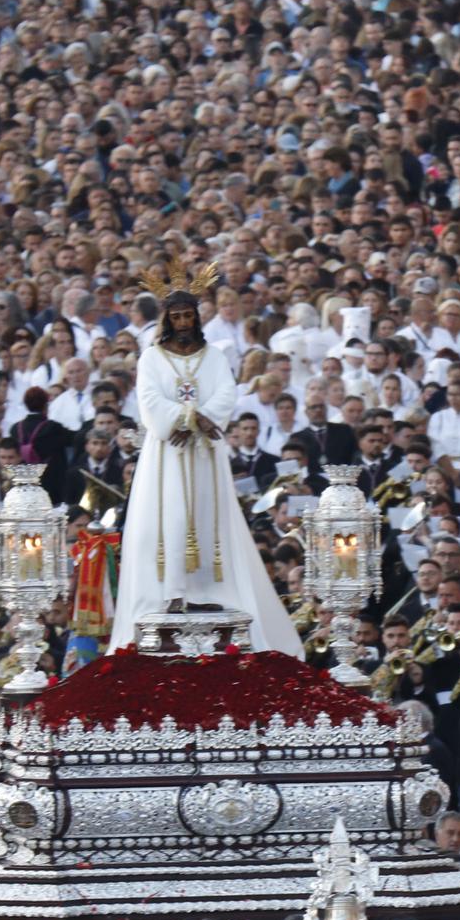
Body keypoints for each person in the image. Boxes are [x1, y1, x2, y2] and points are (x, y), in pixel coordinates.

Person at [109, 263, 303, 655]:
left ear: (196, 318)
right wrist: (179, 420)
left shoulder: (213, 355)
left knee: (205, 519)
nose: (182, 322)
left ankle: (206, 589)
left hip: (203, 452)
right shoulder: (151, 358)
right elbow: (149, 400)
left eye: (188, 315)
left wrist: (197, 419)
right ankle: (170, 591)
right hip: (167, 451)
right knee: (169, 519)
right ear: (167, 319)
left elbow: (226, 394)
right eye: (175, 316)